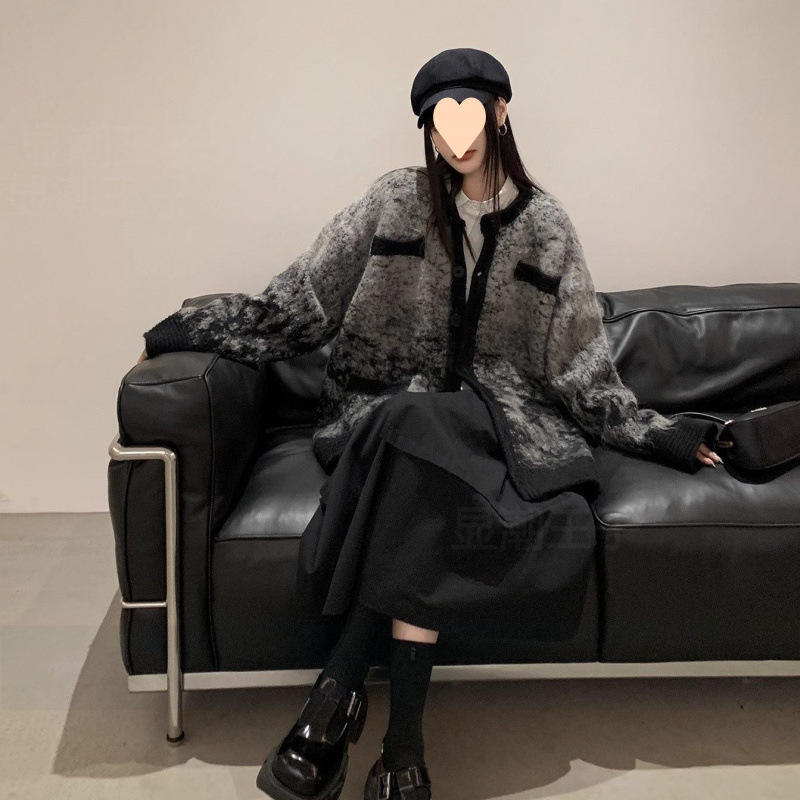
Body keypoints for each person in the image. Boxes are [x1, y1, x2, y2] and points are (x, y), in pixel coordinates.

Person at [138, 48, 722, 800]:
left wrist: (662, 435)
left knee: (425, 450)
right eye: (439, 120)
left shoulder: (547, 227)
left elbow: (581, 368)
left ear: (500, 113)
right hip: (384, 417)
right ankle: (401, 751)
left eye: (469, 112)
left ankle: (337, 701)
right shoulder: (394, 201)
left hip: (498, 431)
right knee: (415, 428)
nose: (456, 135)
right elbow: (301, 300)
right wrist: (182, 331)